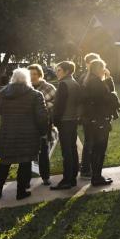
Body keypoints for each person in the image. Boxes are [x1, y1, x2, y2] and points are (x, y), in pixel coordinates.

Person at [0, 68, 48, 200]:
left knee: (4, 162)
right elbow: (42, 116)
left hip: (7, 132)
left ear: (13, 78)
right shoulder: (35, 95)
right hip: (28, 133)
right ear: (27, 79)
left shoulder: (3, 93)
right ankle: (21, 192)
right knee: (25, 162)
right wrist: (43, 132)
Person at [82, 59, 120, 186]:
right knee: (99, 149)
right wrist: (113, 95)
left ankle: (96, 176)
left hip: (93, 120)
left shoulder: (90, 80)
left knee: (96, 149)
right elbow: (106, 97)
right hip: (99, 121)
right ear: (99, 69)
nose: (105, 70)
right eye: (103, 68)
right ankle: (97, 177)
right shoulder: (95, 82)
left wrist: (108, 80)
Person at [51, 61, 83, 190]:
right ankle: (72, 178)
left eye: (59, 70)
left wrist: (55, 121)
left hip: (65, 121)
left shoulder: (64, 84)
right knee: (72, 149)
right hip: (72, 120)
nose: (56, 72)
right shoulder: (75, 83)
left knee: (67, 152)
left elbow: (59, 106)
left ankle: (67, 180)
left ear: (67, 71)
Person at [28, 64, 57, 186]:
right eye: (30, 74)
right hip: (28, 125)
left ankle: (45, 177)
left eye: (35, 74)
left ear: (40, 75)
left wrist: (41, 106)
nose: (32, 77)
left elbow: (56, 103)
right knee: (28, 154)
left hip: (43, 124)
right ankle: (27, 178)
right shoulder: (25, 88)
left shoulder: (48, 87)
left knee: (43, 152)